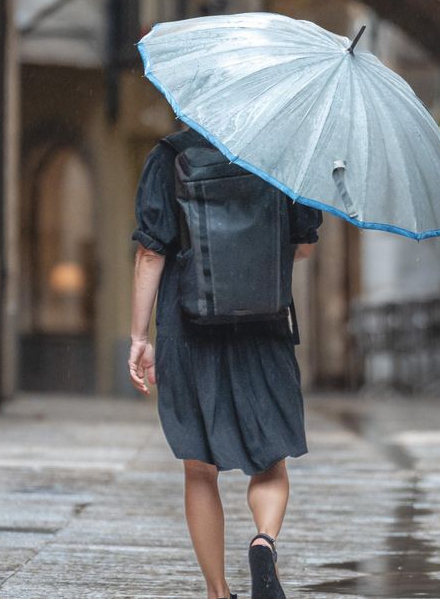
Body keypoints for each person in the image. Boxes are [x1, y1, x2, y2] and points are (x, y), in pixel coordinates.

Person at [128, 127, 323, 599]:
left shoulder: (168, 156)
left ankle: (219, 593)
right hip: (265, 324)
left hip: (188, 325)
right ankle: (263, 541)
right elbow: (304, 242)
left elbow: (151, 252)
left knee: (199, 468)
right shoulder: (284, 150)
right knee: (270, 460)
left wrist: (138, 336)